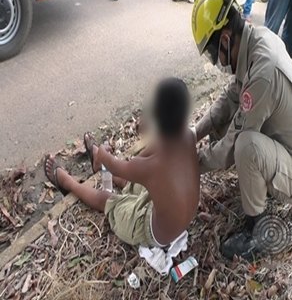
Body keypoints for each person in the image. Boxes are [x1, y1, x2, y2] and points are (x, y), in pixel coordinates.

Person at [191, 0, 292, 260]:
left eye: (213, 54)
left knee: (245, 145)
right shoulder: (255, 41)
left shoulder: (263, 70)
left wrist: (193, 165)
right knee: (230, 126)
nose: (215, 62)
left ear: (224, 39)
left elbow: (234, 144)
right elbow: (230, 97)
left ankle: (256, 231)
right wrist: (194, 133)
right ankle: (261, 181)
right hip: (281, 147)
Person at [44, 78, 200, 248]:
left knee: (108, 198)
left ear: (156, 116)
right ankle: (100, 166)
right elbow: (142, 159)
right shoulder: (188, 136)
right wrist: (126, 165)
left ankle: (69, 183)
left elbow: (120, 165)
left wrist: (103, 154)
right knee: (132, 178)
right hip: (176, 218)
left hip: (152, 232)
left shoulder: (151, 168)